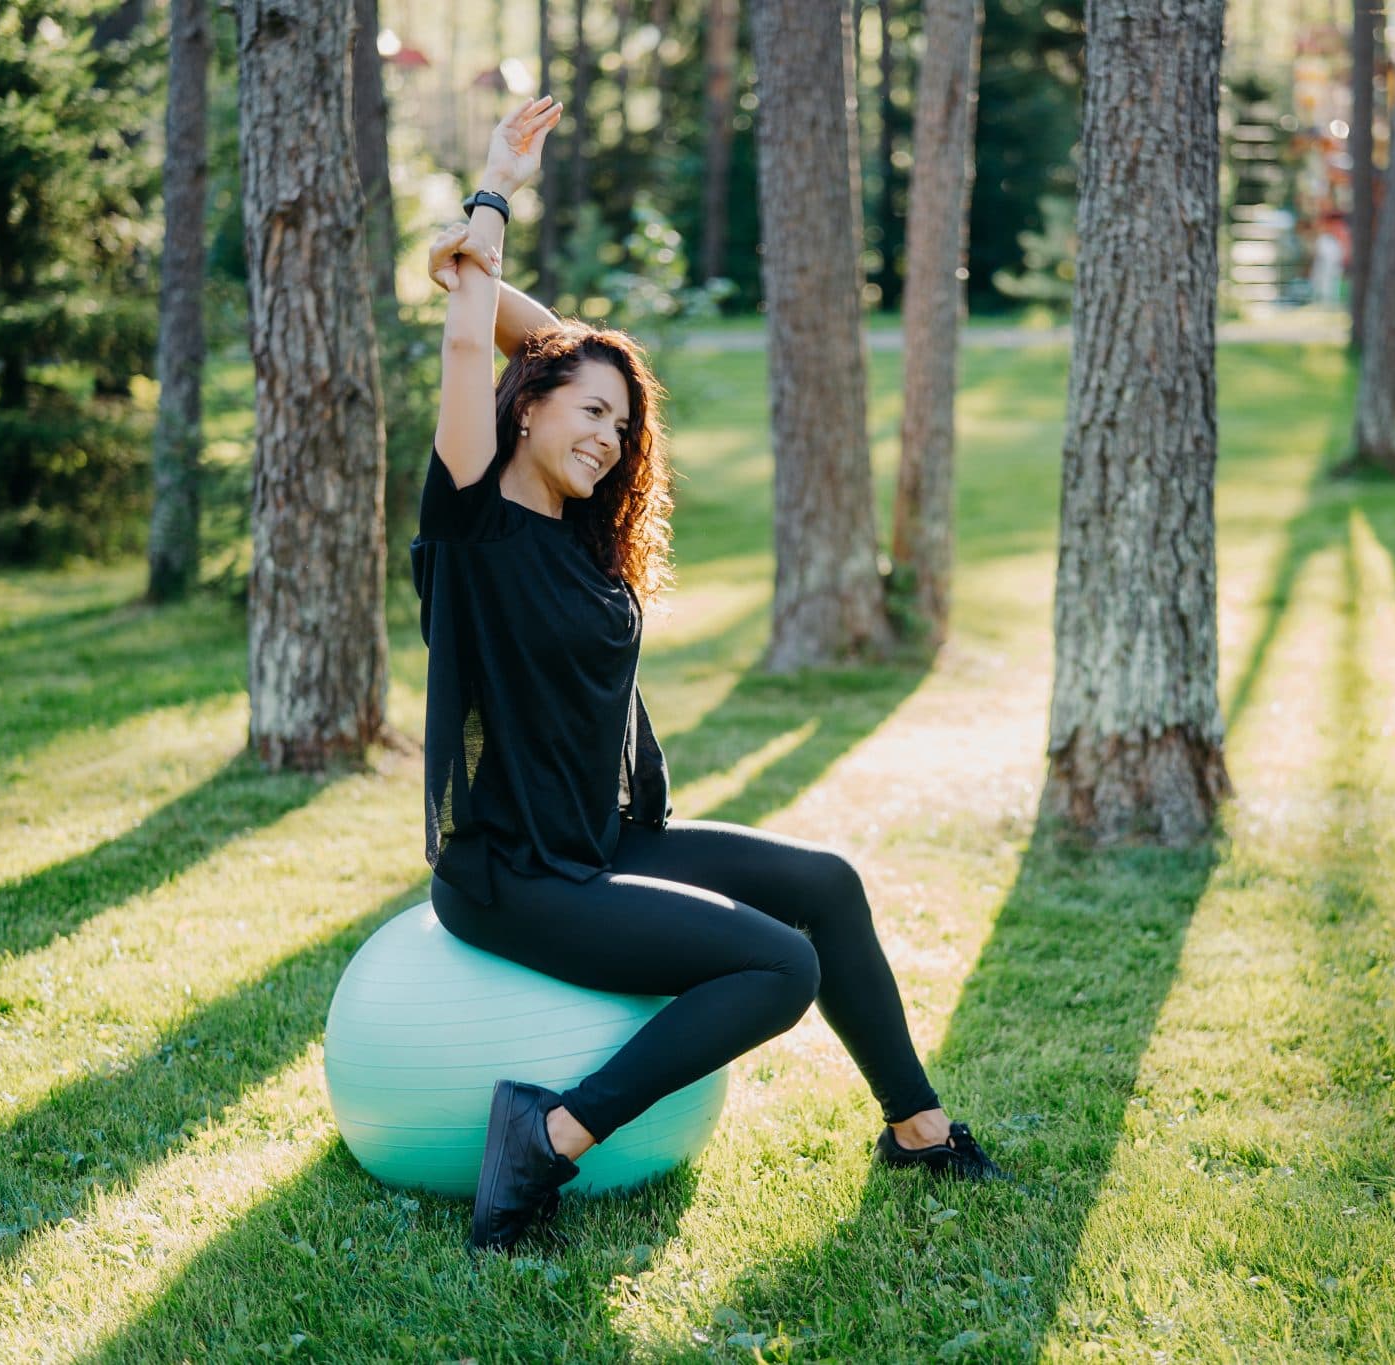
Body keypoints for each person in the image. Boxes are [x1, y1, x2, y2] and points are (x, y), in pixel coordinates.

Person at [414, 95, 1007, 1255]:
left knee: (824, 885)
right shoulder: (472, 524)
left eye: (623, 428)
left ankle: (920, 1132)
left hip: (595, 842)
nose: (610, 439)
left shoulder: (578, 539)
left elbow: (534, 348)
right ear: (522, 410)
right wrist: (493, 190)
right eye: (588, 413)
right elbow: (473, 335)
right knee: (776, 964)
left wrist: (569, 356)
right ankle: (547, 1141)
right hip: (510, 874)